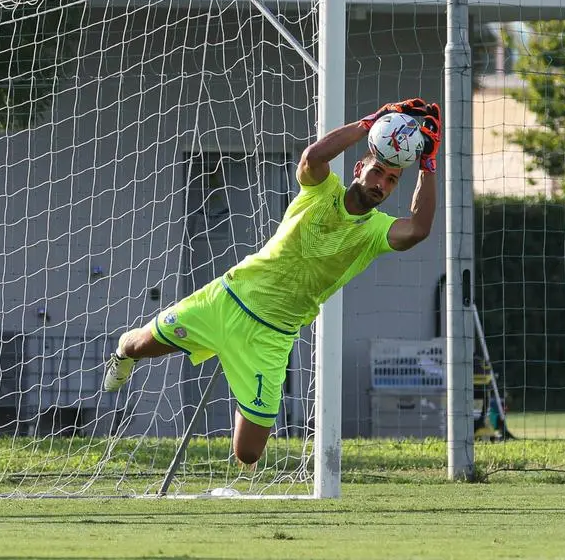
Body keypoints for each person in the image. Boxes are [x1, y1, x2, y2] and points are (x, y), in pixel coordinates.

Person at [102, 97, 442, 465]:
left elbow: (418, 229)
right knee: (136, 347)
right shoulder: (322, 190)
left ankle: (240, 376)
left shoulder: (377, 232)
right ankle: (121, 351)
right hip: (227, 300)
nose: (382, 184)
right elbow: (313, 157)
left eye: (392, 180)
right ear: (360, 167)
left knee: (247, 453)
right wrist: (370, 122)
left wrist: (428, 164)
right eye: (377, 172)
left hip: (272, 337)